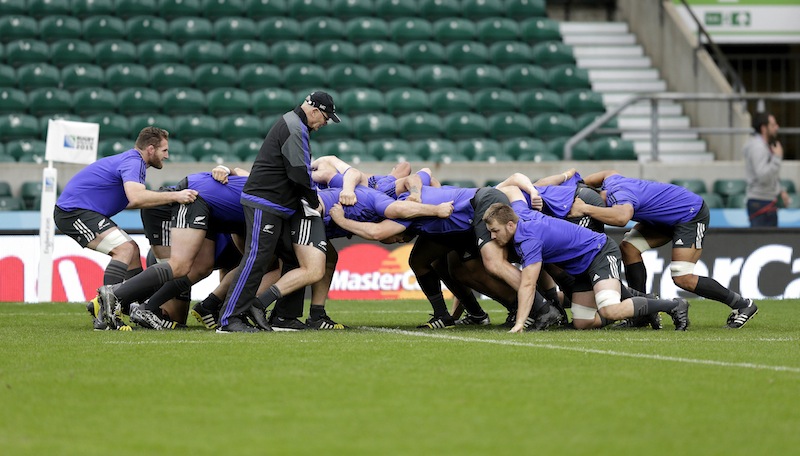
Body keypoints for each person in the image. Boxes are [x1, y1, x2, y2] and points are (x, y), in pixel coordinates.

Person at [569, 170, 758, 329]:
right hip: (663, 219)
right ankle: (640, 316)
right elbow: (607, 172)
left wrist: (586, 208)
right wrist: (580, 183)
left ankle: (743, 304)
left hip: (689, 214)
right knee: (628, 249)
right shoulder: (612, 183)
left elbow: (621, 218)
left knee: (682, 277)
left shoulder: (619, 197)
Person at [482, 190, 690, 333]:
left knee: (609, 309)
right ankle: (645, 307)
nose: (492, 237)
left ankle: (673, 305)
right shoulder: (521, 213)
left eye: (494, 231)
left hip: (599, 252)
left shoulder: (528, 240)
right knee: (583, 322)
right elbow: (515, 187)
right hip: (580, 268)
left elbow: (527, 285)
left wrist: (520, 324)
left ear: (510, 225)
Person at [217, 91, 339, 333]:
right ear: (314, 111)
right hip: (266, 203)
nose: (324, 124)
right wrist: (313, 201)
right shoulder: (294, 127)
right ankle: (229, 318)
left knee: (294, 258)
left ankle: (284, 316)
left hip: (277, 206)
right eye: (325, 118)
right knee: (257, 258)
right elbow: (298, 173)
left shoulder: (295, 125)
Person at [55, 126, 198, 330]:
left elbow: (131, 201)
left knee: (133, 253)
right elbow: (137, 197)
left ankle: (128, 307)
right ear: (150, 149)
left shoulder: (131, 161)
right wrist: (177, 196)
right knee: (124, 249)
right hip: (73, 212)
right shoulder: (133, 162)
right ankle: (106, 315)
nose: (167, 155)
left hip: (83, 211)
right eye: (164, 150)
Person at [743, 112, 792, 227]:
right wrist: (777, 157)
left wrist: (780, 190)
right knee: (762, 242)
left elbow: (769, 175)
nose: (777, 128)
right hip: (760, 202)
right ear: (764, 128)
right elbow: (763, 175)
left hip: (767, 200)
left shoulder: (764, 146)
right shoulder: (757, 147)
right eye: (773, 125)